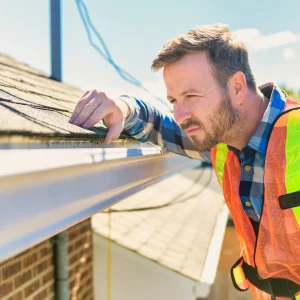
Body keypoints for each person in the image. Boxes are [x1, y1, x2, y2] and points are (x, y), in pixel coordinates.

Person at [69, 24, 300, 300]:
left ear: (237, 87)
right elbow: (159, 124)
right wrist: (122, 108)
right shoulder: (221, 142)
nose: (179, 114)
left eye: (191, 96)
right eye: (174, 100)